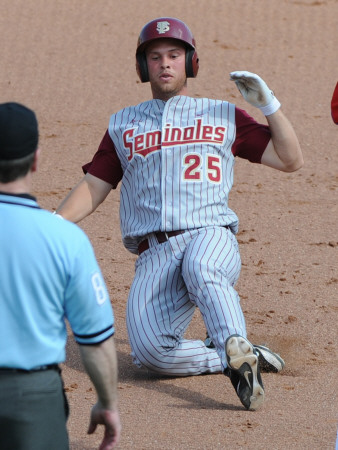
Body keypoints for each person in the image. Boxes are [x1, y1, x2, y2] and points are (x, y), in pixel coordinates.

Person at [56, 17, 303, 411]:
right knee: (150, 355)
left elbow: (289, 160)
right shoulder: (123, 125)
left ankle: (241, 365)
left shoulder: (223, 115)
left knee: (204, 268)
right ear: (143, 67)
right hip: (154, 253)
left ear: (191, 63)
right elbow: (94, 186)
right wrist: (51, 225)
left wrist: (267, 104)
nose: (165, 64)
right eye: (155, 57)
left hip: (210, 234)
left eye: (174, 55)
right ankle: (237, 353)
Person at [0, 102, 121, 449]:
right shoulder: (65, 239)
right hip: (32, 401)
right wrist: (107, 404)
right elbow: (96, 342)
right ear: (36, 159)